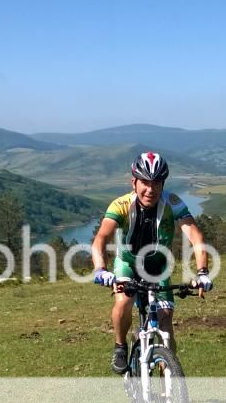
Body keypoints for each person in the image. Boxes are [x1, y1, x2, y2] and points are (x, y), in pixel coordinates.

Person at [91, 152, 213, 374]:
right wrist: (101, 270)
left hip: (158, 268)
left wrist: (202, 272)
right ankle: (120, 346)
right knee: (124, 302)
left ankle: (171, 385)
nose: (150, 189)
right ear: (134, 182)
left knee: (165, 323)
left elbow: (195, 236)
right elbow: (101, 238)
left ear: (163, 183)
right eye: (145, 182)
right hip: (127, 264)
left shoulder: (172, 203)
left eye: (156, 182)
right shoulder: (121, 205)